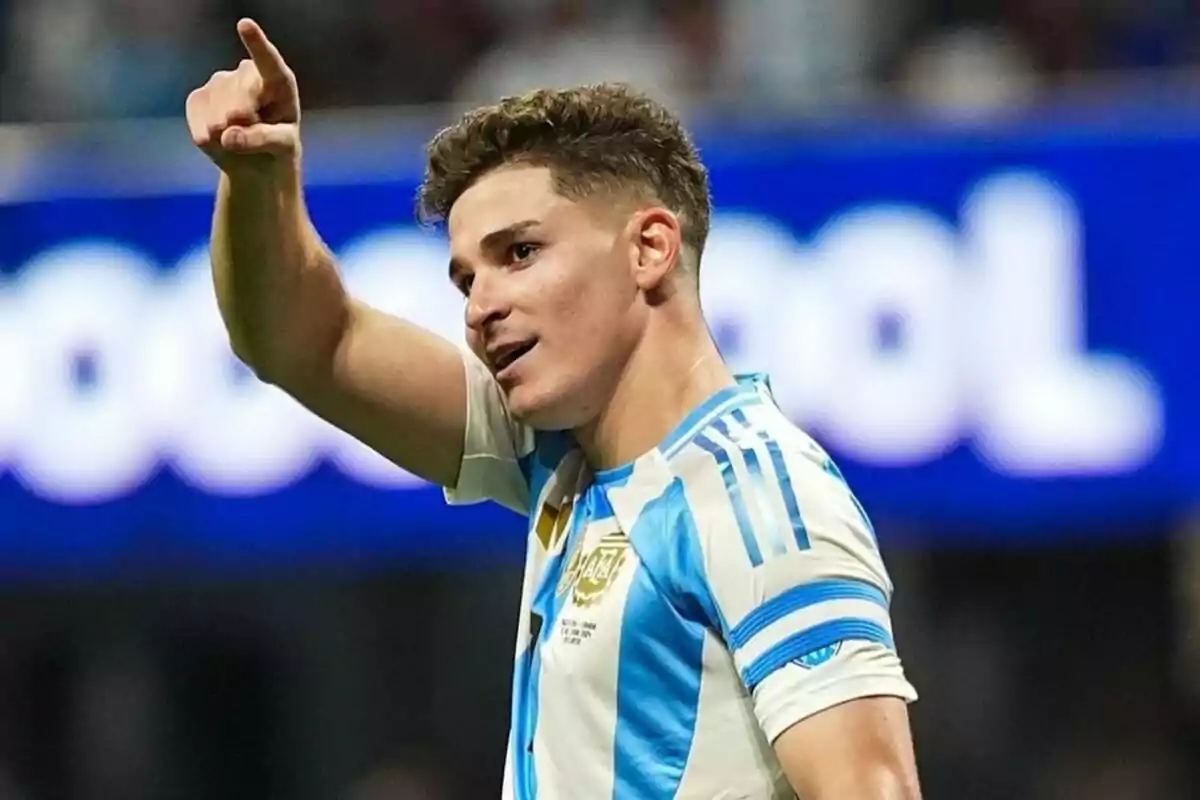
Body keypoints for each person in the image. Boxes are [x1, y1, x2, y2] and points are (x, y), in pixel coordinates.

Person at [185, 18, 922, 800]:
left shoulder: (758, 494)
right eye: (467, 280)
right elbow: (306, 344)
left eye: (520, 254)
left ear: (648, 249)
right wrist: (260, 185)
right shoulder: (556, 457)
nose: (481, 307)